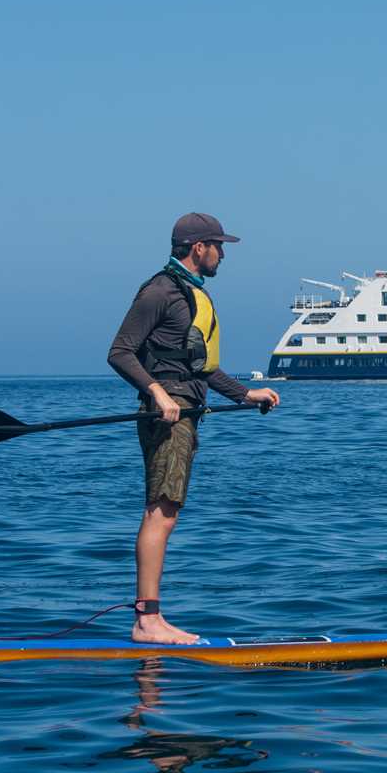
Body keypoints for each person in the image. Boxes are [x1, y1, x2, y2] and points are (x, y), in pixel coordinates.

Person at [108, 212, 280, 644]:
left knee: (168, 512)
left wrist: (245, 395)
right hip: (166, 413)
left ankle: (153, 618)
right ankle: (147, 621)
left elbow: (201, 368)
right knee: (160, 511)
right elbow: (120, 352)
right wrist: (159, 394)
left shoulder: (191, 294)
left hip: (186, 410)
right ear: (197, 247)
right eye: (218, 245)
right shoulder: (161, 291)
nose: (223, 253)